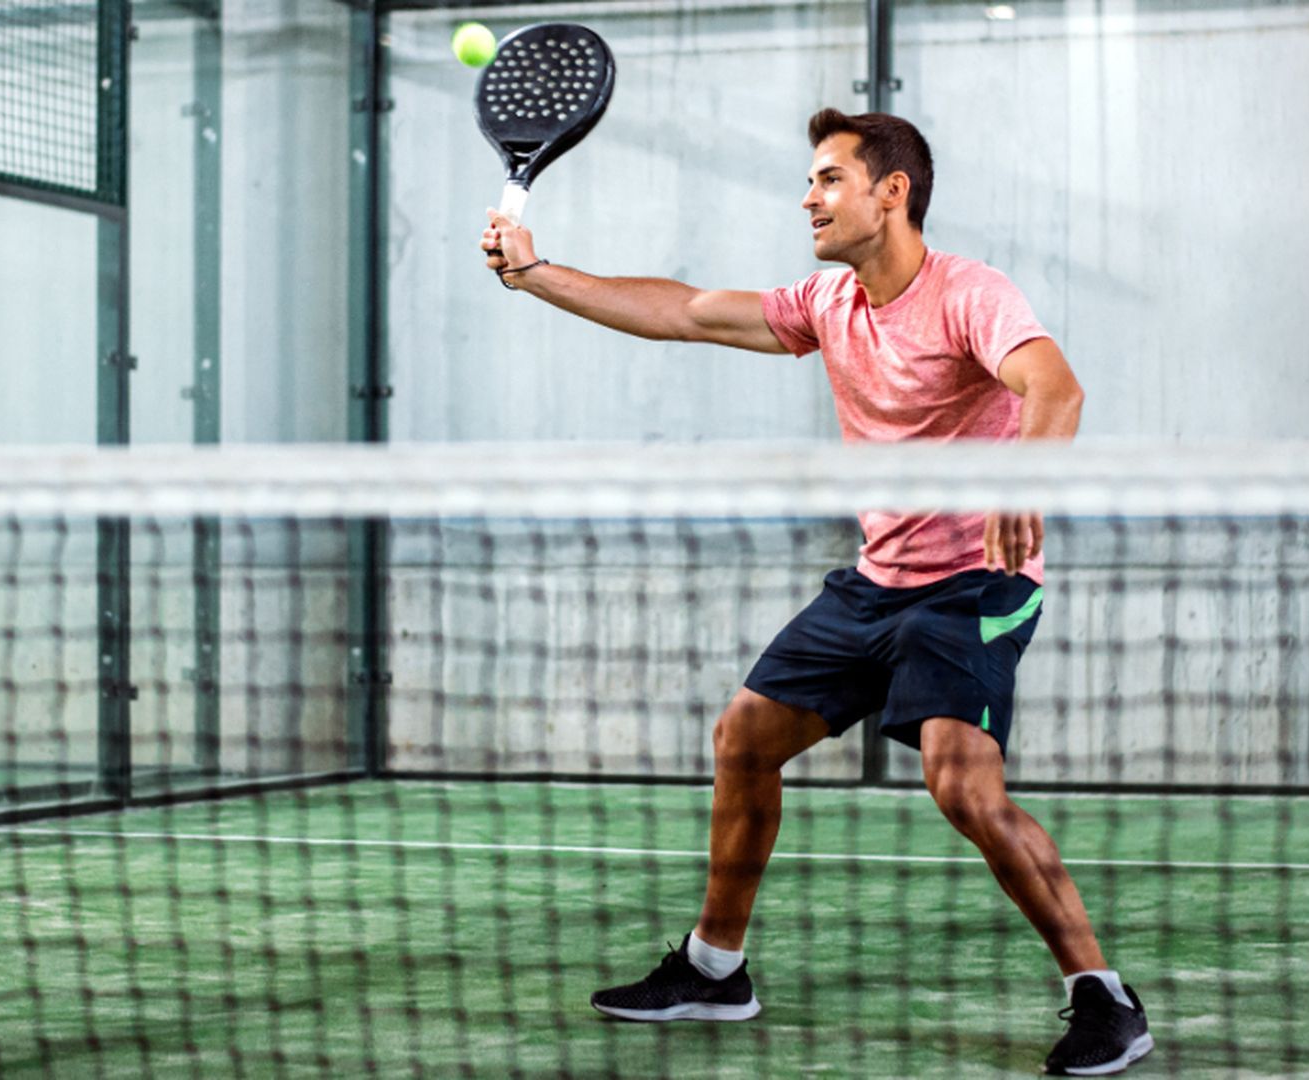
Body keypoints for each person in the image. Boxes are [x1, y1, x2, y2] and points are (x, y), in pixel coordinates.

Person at [477, 108, 1151, 1076]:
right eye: (809, 181)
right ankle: (716, 969)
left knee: (961, 783)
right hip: (874, 583)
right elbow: (687, 311)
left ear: (892, 192)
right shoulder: (829, 308)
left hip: (973, 585)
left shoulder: (969, 295)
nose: (808, 198)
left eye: (829, 179)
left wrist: (1022, 482)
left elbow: (1055, 388)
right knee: (743, 739)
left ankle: (1105, 998)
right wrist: (539, 274)